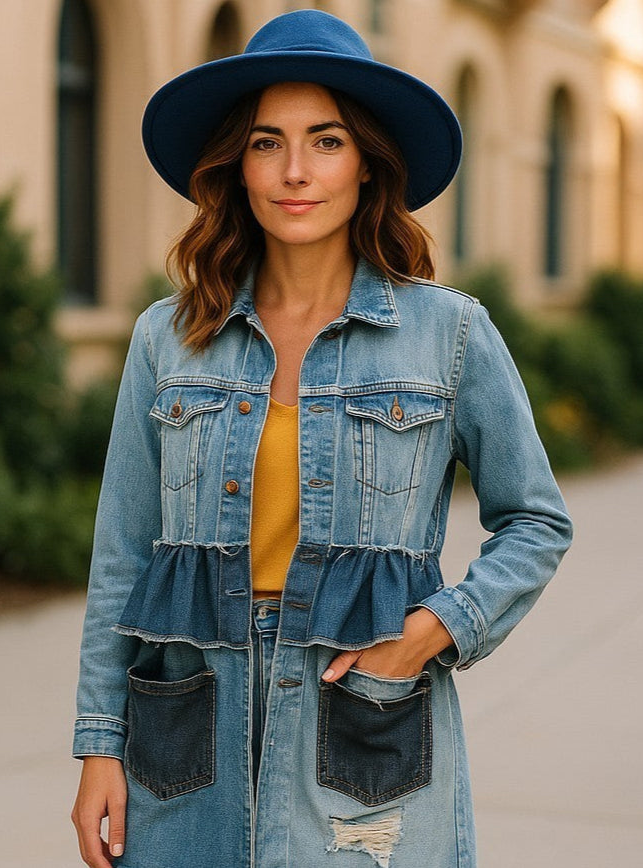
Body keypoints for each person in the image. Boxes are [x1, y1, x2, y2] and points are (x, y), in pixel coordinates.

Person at [70, 10, 572, 868]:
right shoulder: (168, 338)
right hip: (187, 735)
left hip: (366, 732)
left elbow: (535, 521)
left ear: (369, 163)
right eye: (267, 143)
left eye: (326, 141)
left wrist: (431, 631)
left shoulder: (447, 335)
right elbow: (123, 552)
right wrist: (98, 744)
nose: (295, 171)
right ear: (237, 165)